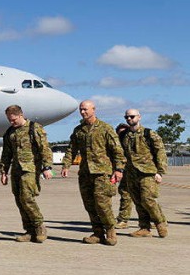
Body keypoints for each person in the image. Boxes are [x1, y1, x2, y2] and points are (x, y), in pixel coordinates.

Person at [61, 100, 124, 245]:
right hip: (85, 173)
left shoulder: (105, 128)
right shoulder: (78, 130)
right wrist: (66, 165)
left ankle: (110, 231)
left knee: (103, 204)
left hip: (102, 173)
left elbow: (117, 150)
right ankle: (97, 233)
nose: (83, 112)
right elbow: (71, 149)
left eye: (85, 109)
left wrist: (119, 169)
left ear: (93, 109)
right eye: (81, 110)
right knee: (89, 205)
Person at [0, 104, 53, 242]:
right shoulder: (10, 132)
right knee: (19, 200)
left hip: (31, 169)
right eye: (9, 120)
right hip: (16, 170)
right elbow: (6, 154)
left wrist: (47, 167)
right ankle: (29, 230)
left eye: (14, 119)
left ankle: (39, 226)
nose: (12, 122)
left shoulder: (34, 128)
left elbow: (44, 148)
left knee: (27, 198)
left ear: (21, 115)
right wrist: (4, 172)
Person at [119, 109, 168, 238]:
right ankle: (144, 227)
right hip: (131, 173)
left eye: (132, 116)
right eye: (126, 117)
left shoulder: (149, 133)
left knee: (147, 199)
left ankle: (160, 222)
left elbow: (160, 152)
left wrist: (160, 172)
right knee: (138, 201)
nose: (129, 119)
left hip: (147, 172)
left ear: (139, 117)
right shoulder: (124, 136)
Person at [113, 123, 134, 228]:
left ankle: (155, 219)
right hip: (125, 171)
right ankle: (123, 219)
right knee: (125, 193)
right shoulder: (116, 146)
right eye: (120, 133)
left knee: (145, 197)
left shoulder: (134, 142)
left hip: (138, 172)